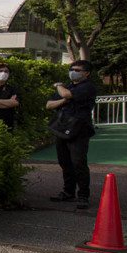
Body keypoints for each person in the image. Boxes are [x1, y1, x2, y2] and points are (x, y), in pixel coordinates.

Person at [46, 60, 97, 210]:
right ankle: (68, 191)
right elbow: (49, 104)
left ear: (86, 73)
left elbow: (66, 94)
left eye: (77, 70)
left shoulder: (87, 87)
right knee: (65, 162)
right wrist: (65, 99)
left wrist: (58, 86)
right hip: (62, 127)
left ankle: (83, 195)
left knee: (78, 162)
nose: (73, 72)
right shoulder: (68, 87)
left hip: (79, 129)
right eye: (71, 69)